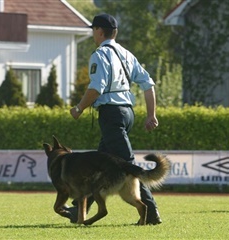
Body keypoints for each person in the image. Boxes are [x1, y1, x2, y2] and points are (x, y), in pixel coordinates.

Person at [68, 13, 161, 225]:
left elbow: (96, 89)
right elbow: (148, 84)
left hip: (111, 115)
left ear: (100, 31)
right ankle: (77, 211)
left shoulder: (99, 55)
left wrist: (79, 108)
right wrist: (151, 115)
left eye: (93, 30)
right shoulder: (127, 54)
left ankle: (152, 213)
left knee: (128, 165)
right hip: (127, 113)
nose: (93, 34)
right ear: (115, 32)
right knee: (98, 165)